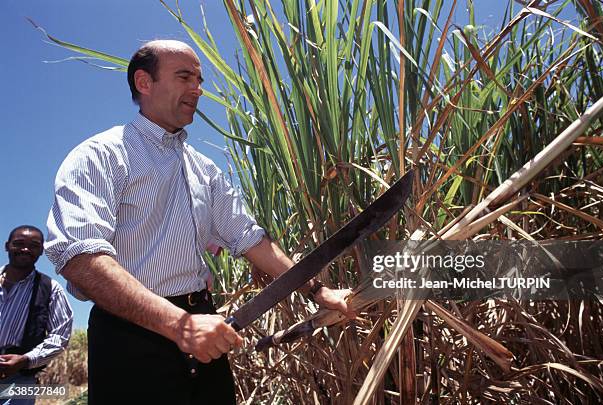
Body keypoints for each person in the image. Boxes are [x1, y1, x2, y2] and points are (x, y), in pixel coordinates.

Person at [45, 40, 355, 405]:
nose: (197, 88)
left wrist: (318, 291)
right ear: (144, 82)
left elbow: (253, 240)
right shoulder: (101, 155)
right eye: (184, 76)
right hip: (130, 339)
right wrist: (179, 325)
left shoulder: (204, 169)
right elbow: (81, 260)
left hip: (205, 331)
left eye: (199, 79)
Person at [0, 225, 73, 405]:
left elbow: (60, 336)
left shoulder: (50, 288)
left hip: (21, 377)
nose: (25, 249)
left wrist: (26, 360)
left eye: (33, 245)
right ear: (7, 246)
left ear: (41, 250)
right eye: (19, 243)